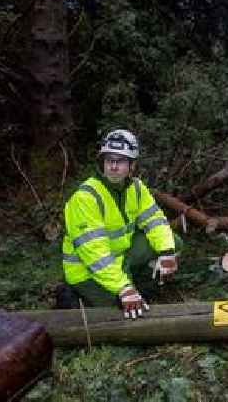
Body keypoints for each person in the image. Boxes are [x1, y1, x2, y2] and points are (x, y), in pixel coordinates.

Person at [59, 129, 179, 319]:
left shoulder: (136, 188)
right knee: (120, 311)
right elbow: (94, 254)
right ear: (102, 162)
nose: (114, 166)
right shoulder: (85, 197)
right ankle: (75, 293)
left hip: (120, 256)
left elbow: (156, 221)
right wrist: (123, 288)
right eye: (109, 160)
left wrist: (167, 253)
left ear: (132, 165)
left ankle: (140, 288)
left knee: (174, 243)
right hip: (88, 270)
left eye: (121, 161)